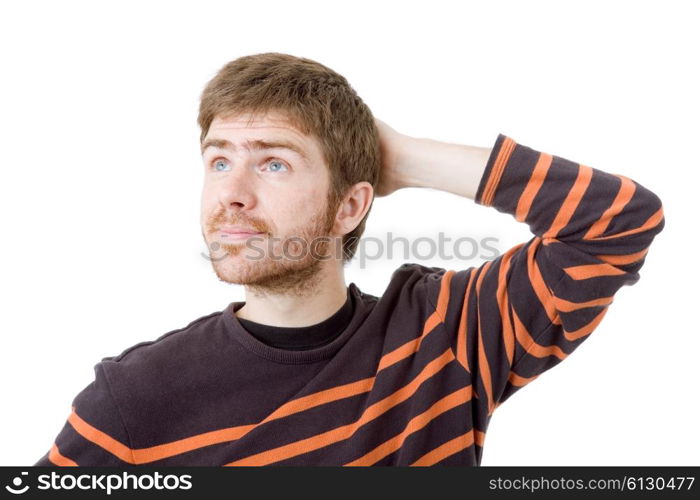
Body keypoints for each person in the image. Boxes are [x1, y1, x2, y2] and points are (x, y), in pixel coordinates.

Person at [35, 52, 665, 466]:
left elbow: (619, 222)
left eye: (274, 162)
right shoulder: (135, 396)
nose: (231, 192)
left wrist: (406, 157)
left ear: (350, 207)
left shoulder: (447, 333)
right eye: (219, 159)